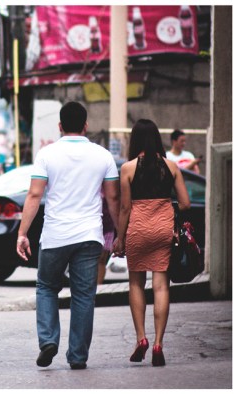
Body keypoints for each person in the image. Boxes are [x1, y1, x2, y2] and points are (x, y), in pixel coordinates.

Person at [16, 102, 120, 370]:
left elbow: (35, 194)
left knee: (46, 287)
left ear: (60, 126)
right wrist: (121, 233)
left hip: (55, 235)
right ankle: (78, 356)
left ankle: (48, 340)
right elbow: (113, 198)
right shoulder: (103, 156)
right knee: (84, 296)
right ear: (86, 125)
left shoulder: (47, 154)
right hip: (89, 236)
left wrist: (23, 233)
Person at [112, 119, 191, 367]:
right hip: (163, 229)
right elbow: (186, 203)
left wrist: (120, 238)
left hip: (137, 229)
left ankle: (141, 339)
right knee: (161, 287)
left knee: (136, 283)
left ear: (135, 140)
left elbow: (125, 208)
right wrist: (166, 209)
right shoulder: (171, 166)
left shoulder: (128, 168)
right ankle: (158, 344)